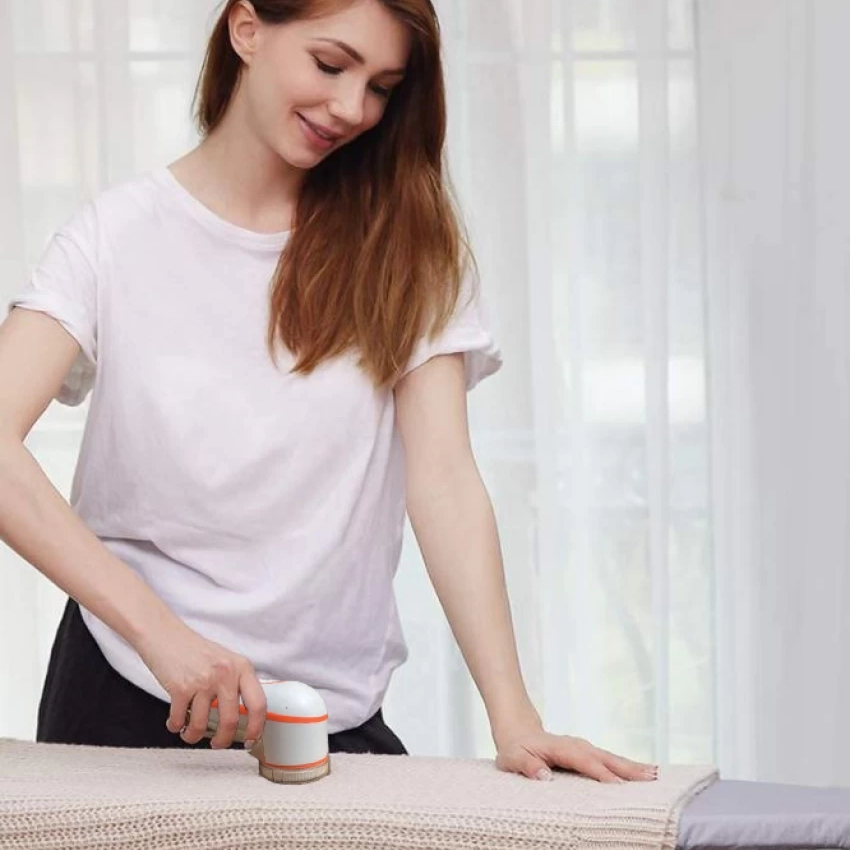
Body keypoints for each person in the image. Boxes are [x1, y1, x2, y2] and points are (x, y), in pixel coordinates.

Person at [0, 0, 657, 784]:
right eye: (331, 64)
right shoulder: (113, 237)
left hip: (327, 715)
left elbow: (444, 480)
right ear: (247, 30)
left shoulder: (408, 249)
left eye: (381, 87)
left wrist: (514, 717)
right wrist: (160, 634)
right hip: (125, 689)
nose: (352, 108)